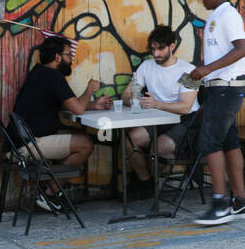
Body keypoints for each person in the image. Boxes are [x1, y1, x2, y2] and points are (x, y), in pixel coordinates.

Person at [10, 35, 103, 211]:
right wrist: (90, 89)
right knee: (85, 144)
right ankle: (50, 194)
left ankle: (52, 192)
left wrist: (93, 105)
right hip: (27, 146)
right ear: (57, 57)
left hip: (20, 142)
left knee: (80, 137)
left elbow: (69, 105)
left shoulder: (39, 73)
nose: (72, 60)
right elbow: (77, 110)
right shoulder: (52, 77)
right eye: (69, 55)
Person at [190, 0, 245, 226]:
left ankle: (220, 204)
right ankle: (240, 202)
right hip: (218, 86)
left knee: (209, 141)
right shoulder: (216, 15)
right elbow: (219, 56)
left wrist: (206, 70)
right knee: (229, 142)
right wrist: (199, 74)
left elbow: (242, 49)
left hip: (227, 87)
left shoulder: (228, 15)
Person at [122, 26, 199, 192]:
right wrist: (133, 99)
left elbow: (185, 107)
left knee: (158, 148)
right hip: (156, 118)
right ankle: (147, 183)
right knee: (130, 140)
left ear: (172, 46)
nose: (156, 54)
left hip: (185, 121)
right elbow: (126, 94)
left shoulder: (190, 71)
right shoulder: (146, 66)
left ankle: (154, 186)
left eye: (161, 48)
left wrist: (156, 104)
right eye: (153, 49)